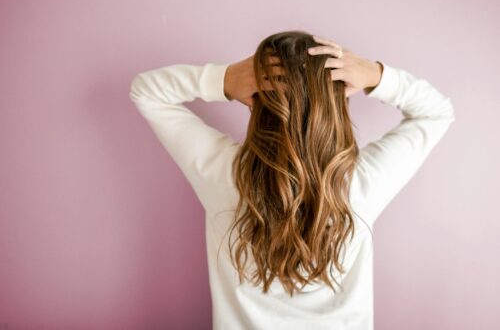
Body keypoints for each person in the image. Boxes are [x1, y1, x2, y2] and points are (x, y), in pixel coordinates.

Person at [129, 30, 455, 330]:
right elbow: (437, 111)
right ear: (338, 104)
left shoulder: (224, 174)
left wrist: (224, 79)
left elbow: (146, 91)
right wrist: (375, 76)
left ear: (256, 99)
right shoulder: (360, 184)